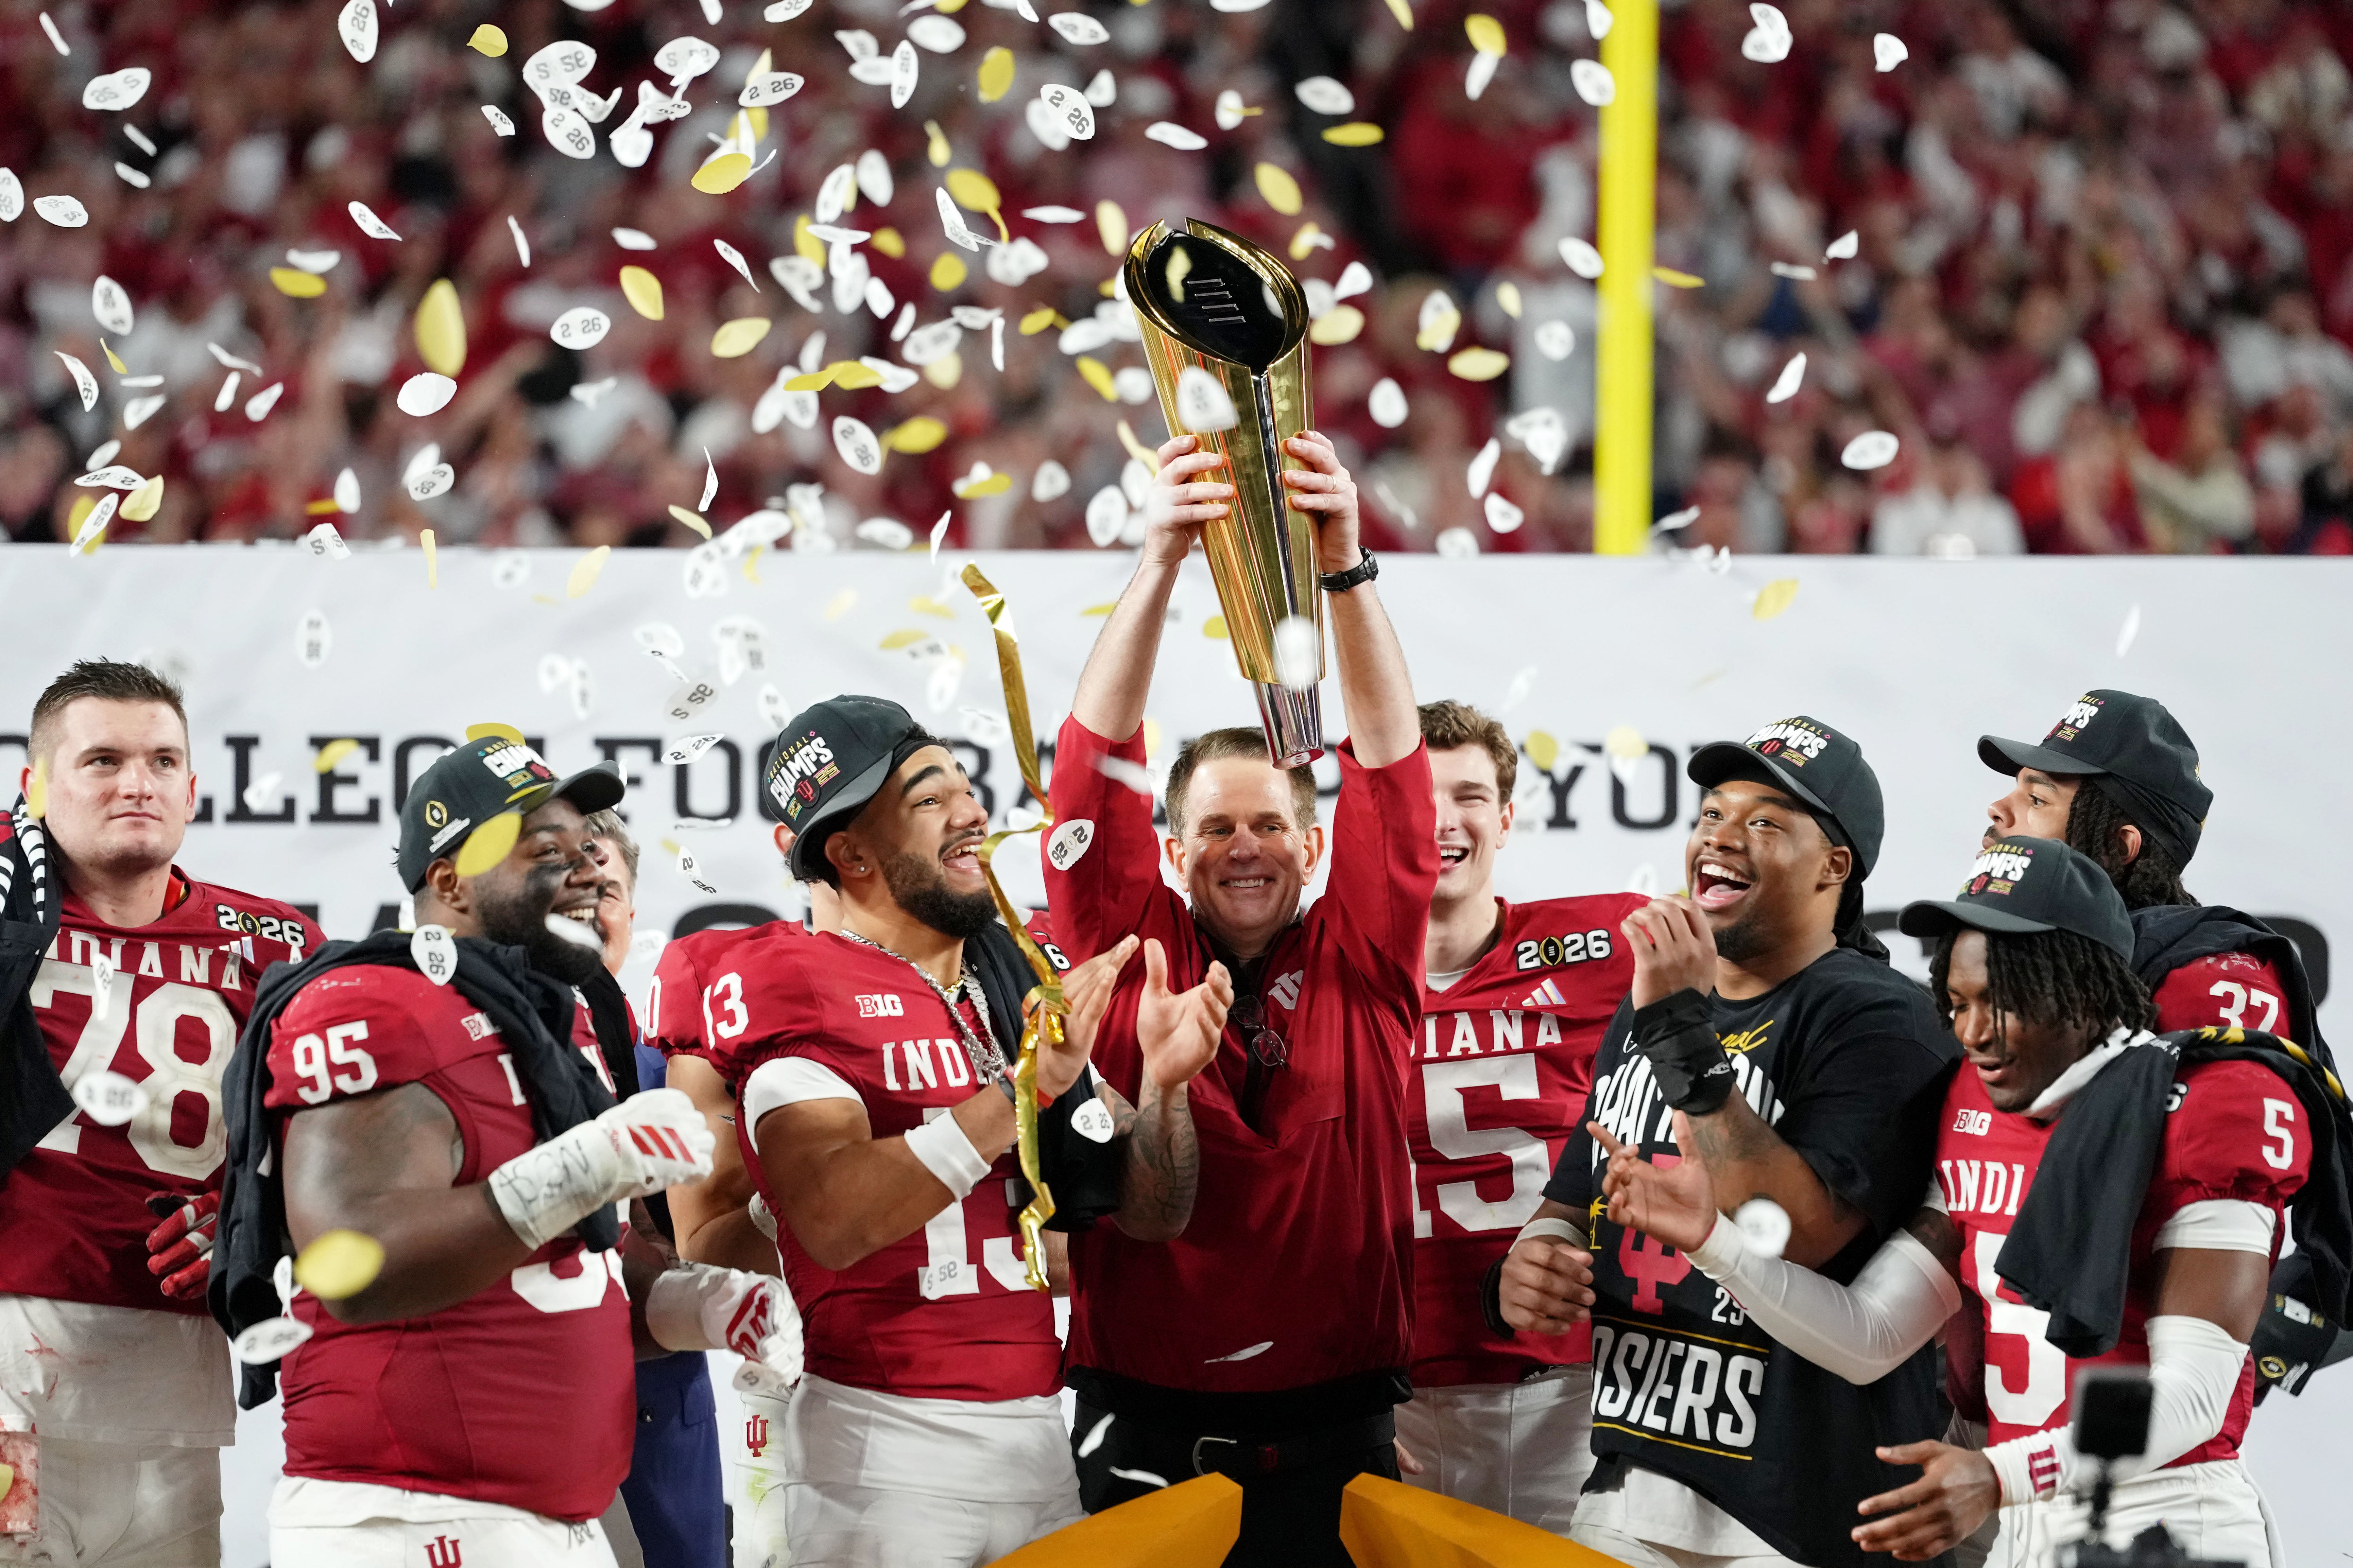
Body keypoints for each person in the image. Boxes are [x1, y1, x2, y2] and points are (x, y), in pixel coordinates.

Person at [1594, 837, 2344, 1566]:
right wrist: (1713, 1244)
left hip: (2164, 1523)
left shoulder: (2212, 1107)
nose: (1973, 1034)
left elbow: (2189, 1400)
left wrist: (1996, 1475)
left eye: (2002, 1003)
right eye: (1955, 1004)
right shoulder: (1971, 1109)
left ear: (2085, 986)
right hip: (2022, 1528)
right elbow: (1868, 1336)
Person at [212, 732, 791, 1565]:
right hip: (408, 1520)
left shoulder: (561, 1020)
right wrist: (587, 1165)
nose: (588, 869)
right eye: (546, 852)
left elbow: (567, 1269)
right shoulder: (374, 1000)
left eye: (589, 846)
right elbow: (354, 1259)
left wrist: (704, 1306)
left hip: (547, 1521)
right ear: (449, 880)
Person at [717, 695, 1231, 1568]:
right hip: (882, 1456)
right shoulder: (799, 983)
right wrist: (1022, 1092)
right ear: (849, 853)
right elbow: (835, 1222)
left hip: (1036, 1435)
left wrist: (1164, 1083)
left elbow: (1149, 1218)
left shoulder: (1003, 988)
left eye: (964, 785)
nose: (972, 813)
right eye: (928, 800)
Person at [1043, 430, 1437, 1564]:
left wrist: (1347, 570)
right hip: (1142, 1418)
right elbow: (1088, 763)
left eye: (1270, 823)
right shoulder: (1126, 946)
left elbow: (1394, 773)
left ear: (1315, 843)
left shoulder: (1369, 949)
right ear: (1169, 851)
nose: (1245, 847)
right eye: (1214, 827)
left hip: (1342, 1422)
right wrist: (1160, 556)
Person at [1498, 717, 1960, 1568]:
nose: (1721, 836)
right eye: (1712, 813)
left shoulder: (1876, 1015)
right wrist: (1538, 1254)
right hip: (1631, 1469)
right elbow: (1573, 1201)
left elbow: (1798, 1235)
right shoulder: (1661, 1000)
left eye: (1765, 822)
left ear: (1834, 867)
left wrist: (1677, 1026)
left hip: (1804, 1508)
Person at [0, 659, 321, 1567]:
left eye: (162, 760)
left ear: (193, 787)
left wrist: (255, 1218)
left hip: (172, 1387)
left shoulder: (278, 944)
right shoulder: (5, 901)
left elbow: (339, 1151)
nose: (137, 781)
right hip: (9, 1371)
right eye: (101, 759)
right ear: (35, 785)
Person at [1981, 688, 2345, 1396]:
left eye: (2037, 799)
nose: (1997, 813)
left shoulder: (2202, 984)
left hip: (2133, 1434)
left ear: (2119, 848)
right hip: (1994, 1425)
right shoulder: (1999, 967)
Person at [1391, 700, 1642, 1530]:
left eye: (1466, 796)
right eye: (1416, 796)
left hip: (1563, 1384)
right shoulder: (1317, 965)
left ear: (1504, 818)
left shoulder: (1610, 942)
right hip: (1385, 1390)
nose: (1441, 819)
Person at [582, 810, 728, 1568]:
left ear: (633, 911)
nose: (585, 905)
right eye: (563, 884)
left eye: (605, 887)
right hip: (516, 1430)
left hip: (661, 1430)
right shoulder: (465, 1067)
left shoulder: (677, 1073)